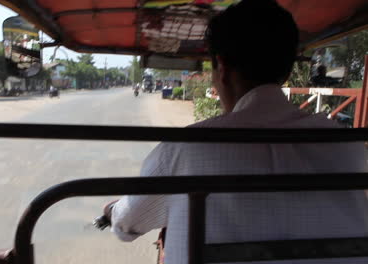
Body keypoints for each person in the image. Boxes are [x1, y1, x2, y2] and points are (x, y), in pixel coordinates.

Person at [102, 1, 368, 264]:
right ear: (286, 71)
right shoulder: (346, 142)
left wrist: (112, 211)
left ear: (222, 67)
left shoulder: (188, 146)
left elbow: (128, 222)